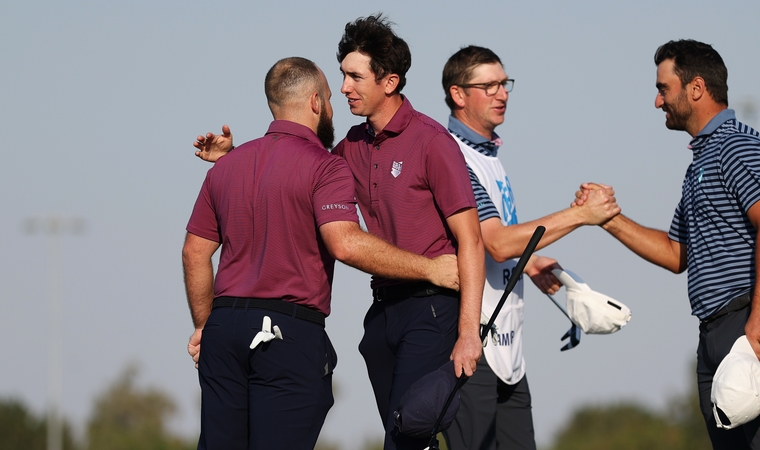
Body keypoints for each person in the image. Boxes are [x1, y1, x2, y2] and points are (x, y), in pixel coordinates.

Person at [193, 15, 486, 450]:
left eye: (354, 76)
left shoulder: (432, 141)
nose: (344, 87)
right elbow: (295, 171)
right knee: (399, 436)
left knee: (409, 433)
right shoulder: (347, 146)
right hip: (383, 312)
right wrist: (233, 158)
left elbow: (472, 241)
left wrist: (468, 332)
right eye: (342, 76)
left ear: (389, 81)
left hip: (433, 308)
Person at [575, 39, 760, 449]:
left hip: (753, 319)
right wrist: (607, 218)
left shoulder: (738, 144)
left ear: (695, 88)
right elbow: (677, 254)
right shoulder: (701, 162)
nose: (658, 102)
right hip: (716, 329)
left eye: (663, 89)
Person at [439, 45, 621, 450]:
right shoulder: (453, 155)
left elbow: (496, 246)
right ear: (458, 94)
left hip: (508, 347)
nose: (502, 93)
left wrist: (532, 261)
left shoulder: (489, 156)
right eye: (488, 85)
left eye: (505, 84)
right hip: (471, 345)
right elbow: (499, 243)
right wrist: (581, 215)